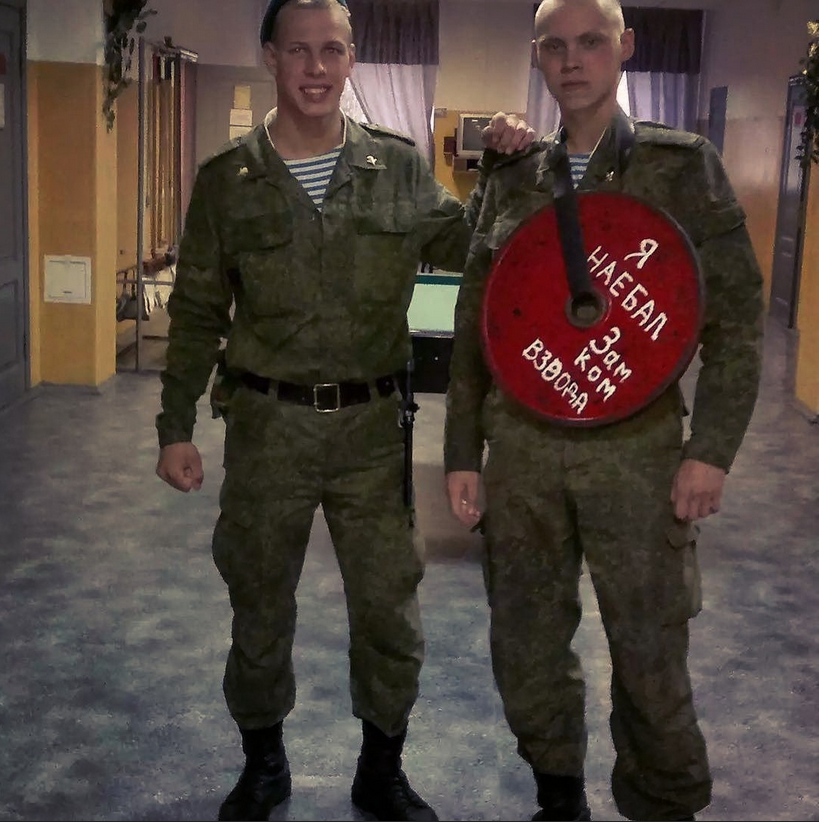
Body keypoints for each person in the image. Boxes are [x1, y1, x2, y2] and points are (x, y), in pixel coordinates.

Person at [154, 1, 533, 820]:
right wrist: (174, 427)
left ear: (352, 58)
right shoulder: (227, 181)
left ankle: (380, 771)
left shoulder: (394, 167)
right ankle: (263, 764)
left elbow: (469, 246)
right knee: (259, 603)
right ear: (270, 57)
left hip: (371, 434)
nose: (316, 68)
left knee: (388, 608)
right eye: (299, 50)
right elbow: (195, 312)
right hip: (267, 429)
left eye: (331, 50)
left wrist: (505, 169)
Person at [444, 1, 764, 820]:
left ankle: (661, 803)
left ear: (625, 48)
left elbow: (735, 321)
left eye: (590, 42)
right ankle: (558, 797)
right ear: (536, 58)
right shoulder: (512, 174)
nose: (572, 60)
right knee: (524, 643)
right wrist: (461, 454)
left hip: (638, 451)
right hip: (522, 448)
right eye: (554, 46)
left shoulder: (680, 167)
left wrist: (711, 449)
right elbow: (478, 326)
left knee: (649, 648)